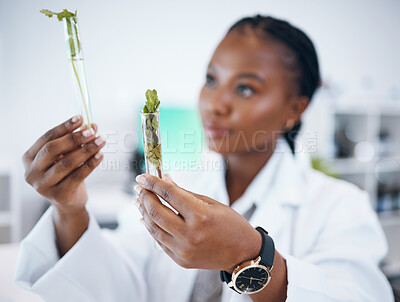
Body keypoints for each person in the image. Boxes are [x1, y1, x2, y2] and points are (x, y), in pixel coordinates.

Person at [15, 15, 394, 302]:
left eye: (245, 88)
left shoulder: (340, 207)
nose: (216, 104)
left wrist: (249, 256)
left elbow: (358, 294)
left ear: (294, 108)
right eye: (211, 80)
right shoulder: (179, 184)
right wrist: (70, 209)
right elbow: (120, 283)